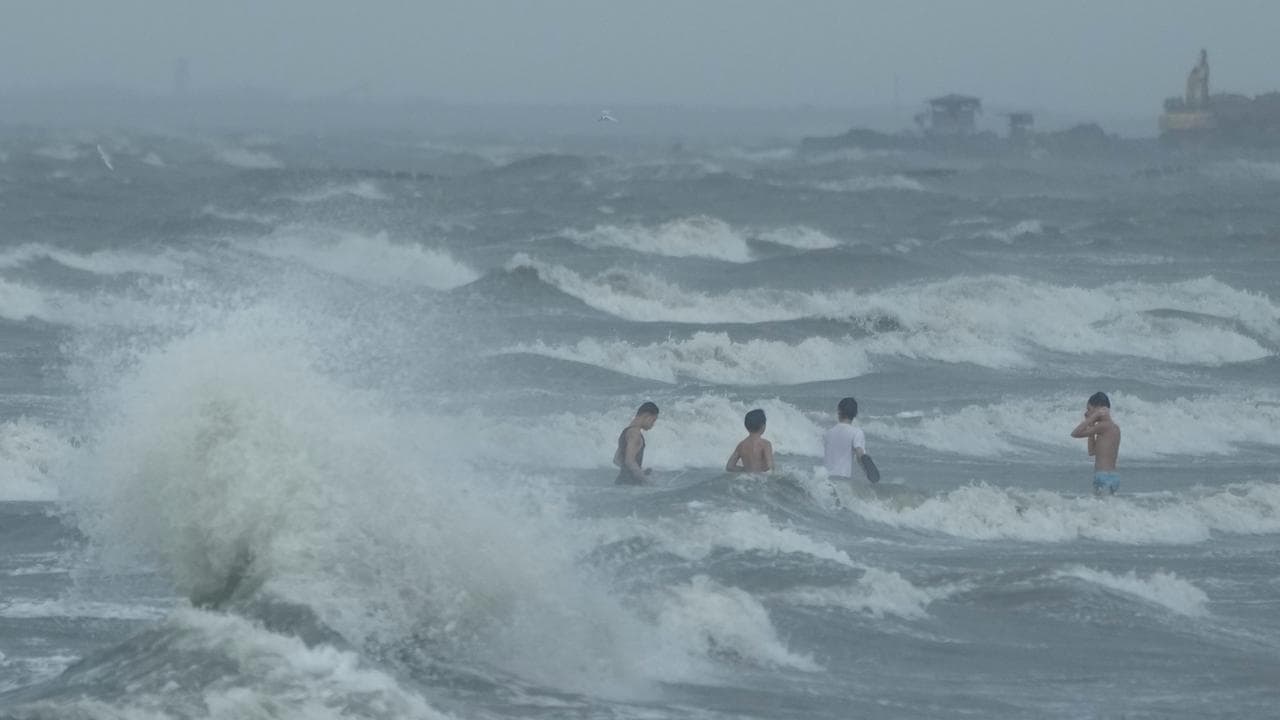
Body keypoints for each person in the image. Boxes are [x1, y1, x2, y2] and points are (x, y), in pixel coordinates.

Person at [1070, 391, 1122, 495]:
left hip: (1102, 476)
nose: (1087, 413)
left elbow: (1075, 433)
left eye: (1089, 409)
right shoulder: (1114, 428)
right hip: (1114, 477)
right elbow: (1092, 451)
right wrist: (1091, 426)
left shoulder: (1103, 426)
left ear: (1099, 408)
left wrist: (1092, 418)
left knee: (1100, 506)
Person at [824, 397, 877, 483]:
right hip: (842, 481)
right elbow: (859, 454)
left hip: (825, 480)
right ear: (855, 414)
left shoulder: (829, 432)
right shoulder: (856, 432)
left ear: (839, 411)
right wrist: (869, 472)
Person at [614, 401, 658, 484]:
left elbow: (616, 459)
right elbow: (629, 461)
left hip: (621, 483)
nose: (653, 424)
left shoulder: (626, 432)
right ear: (646, 416)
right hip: (630, 485)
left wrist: (639, 471)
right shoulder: (635, 434)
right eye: (653, 420)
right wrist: (647, 480)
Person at [725, 408, 774, 473]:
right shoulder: (765, 444)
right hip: (762, 478)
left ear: (746, 426)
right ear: (763, 426)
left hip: (748, 477)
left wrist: (745, 470)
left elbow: (729, 467)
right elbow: (769, 467)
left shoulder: (741, 445)